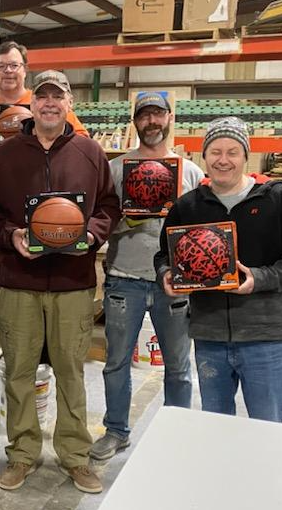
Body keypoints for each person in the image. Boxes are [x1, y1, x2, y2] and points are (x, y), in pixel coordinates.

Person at [0, 70, 121, 494]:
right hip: (18, 280)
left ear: (69, 103)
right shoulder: (4, 154)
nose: (49, 104)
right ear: (31, 103)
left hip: (72, 281)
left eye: (57, 97)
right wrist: (12, 236)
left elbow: (109, 207)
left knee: (71, 373)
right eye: (42, 97)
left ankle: (75, 456)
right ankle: (22, 453)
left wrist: (92, 235)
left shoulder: (90, 151)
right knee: (19, 373)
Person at [156, 117, 282, 423]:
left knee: (267, 426)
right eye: (215, 151)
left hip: (264, 336)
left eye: (232, 152)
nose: (223, 160)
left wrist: (261, 278)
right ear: (203, 156)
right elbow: (164, 254)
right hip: (209, 335)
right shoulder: (188, 206)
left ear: (246, 156)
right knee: (216, 426)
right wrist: (167, 272)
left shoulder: (275, 199)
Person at [91, 92, 205, 462]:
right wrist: (129, 217)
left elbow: (203, 232)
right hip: (125, 278)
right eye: (144, 116)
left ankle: (176, 433)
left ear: (170, 118)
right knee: (116, 362)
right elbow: (100, 222)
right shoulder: (117, 169)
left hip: (174, 281)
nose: (151, 122)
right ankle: (117, 431)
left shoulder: (189, 172)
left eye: (158, 114)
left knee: (178, 365)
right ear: (135, 121)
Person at [0, 42, 88, 137]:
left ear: (25, 70)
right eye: (1, 66)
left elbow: (82, 141)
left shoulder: (46, 105)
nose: (8, 70)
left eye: (14, 65)